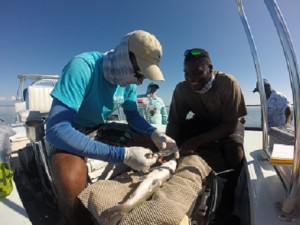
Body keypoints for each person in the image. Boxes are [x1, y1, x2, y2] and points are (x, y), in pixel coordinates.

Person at [45, 30, 178, 225]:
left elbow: (132, 115)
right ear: (124, 57)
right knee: (71, 180)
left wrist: (154, 132)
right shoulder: (83, 67)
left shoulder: (128, 81)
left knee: (155, 146)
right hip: (72, 131)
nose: (141, 81)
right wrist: (123, 155)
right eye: (139, 72)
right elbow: (56, 129)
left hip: (101, 127)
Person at [166, 48, 247, 220]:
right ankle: (171, 170)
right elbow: (174, 122)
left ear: (210, 68)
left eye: (197, 72)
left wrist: (197, 141)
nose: (191, 78)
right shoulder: (182, 89)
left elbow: (231, 123)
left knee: (235, 150)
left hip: (227, 122)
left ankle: (230, 191)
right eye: (186, 73)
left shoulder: (227, 82)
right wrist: (167, 147)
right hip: (203, 120)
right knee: (175, 138)